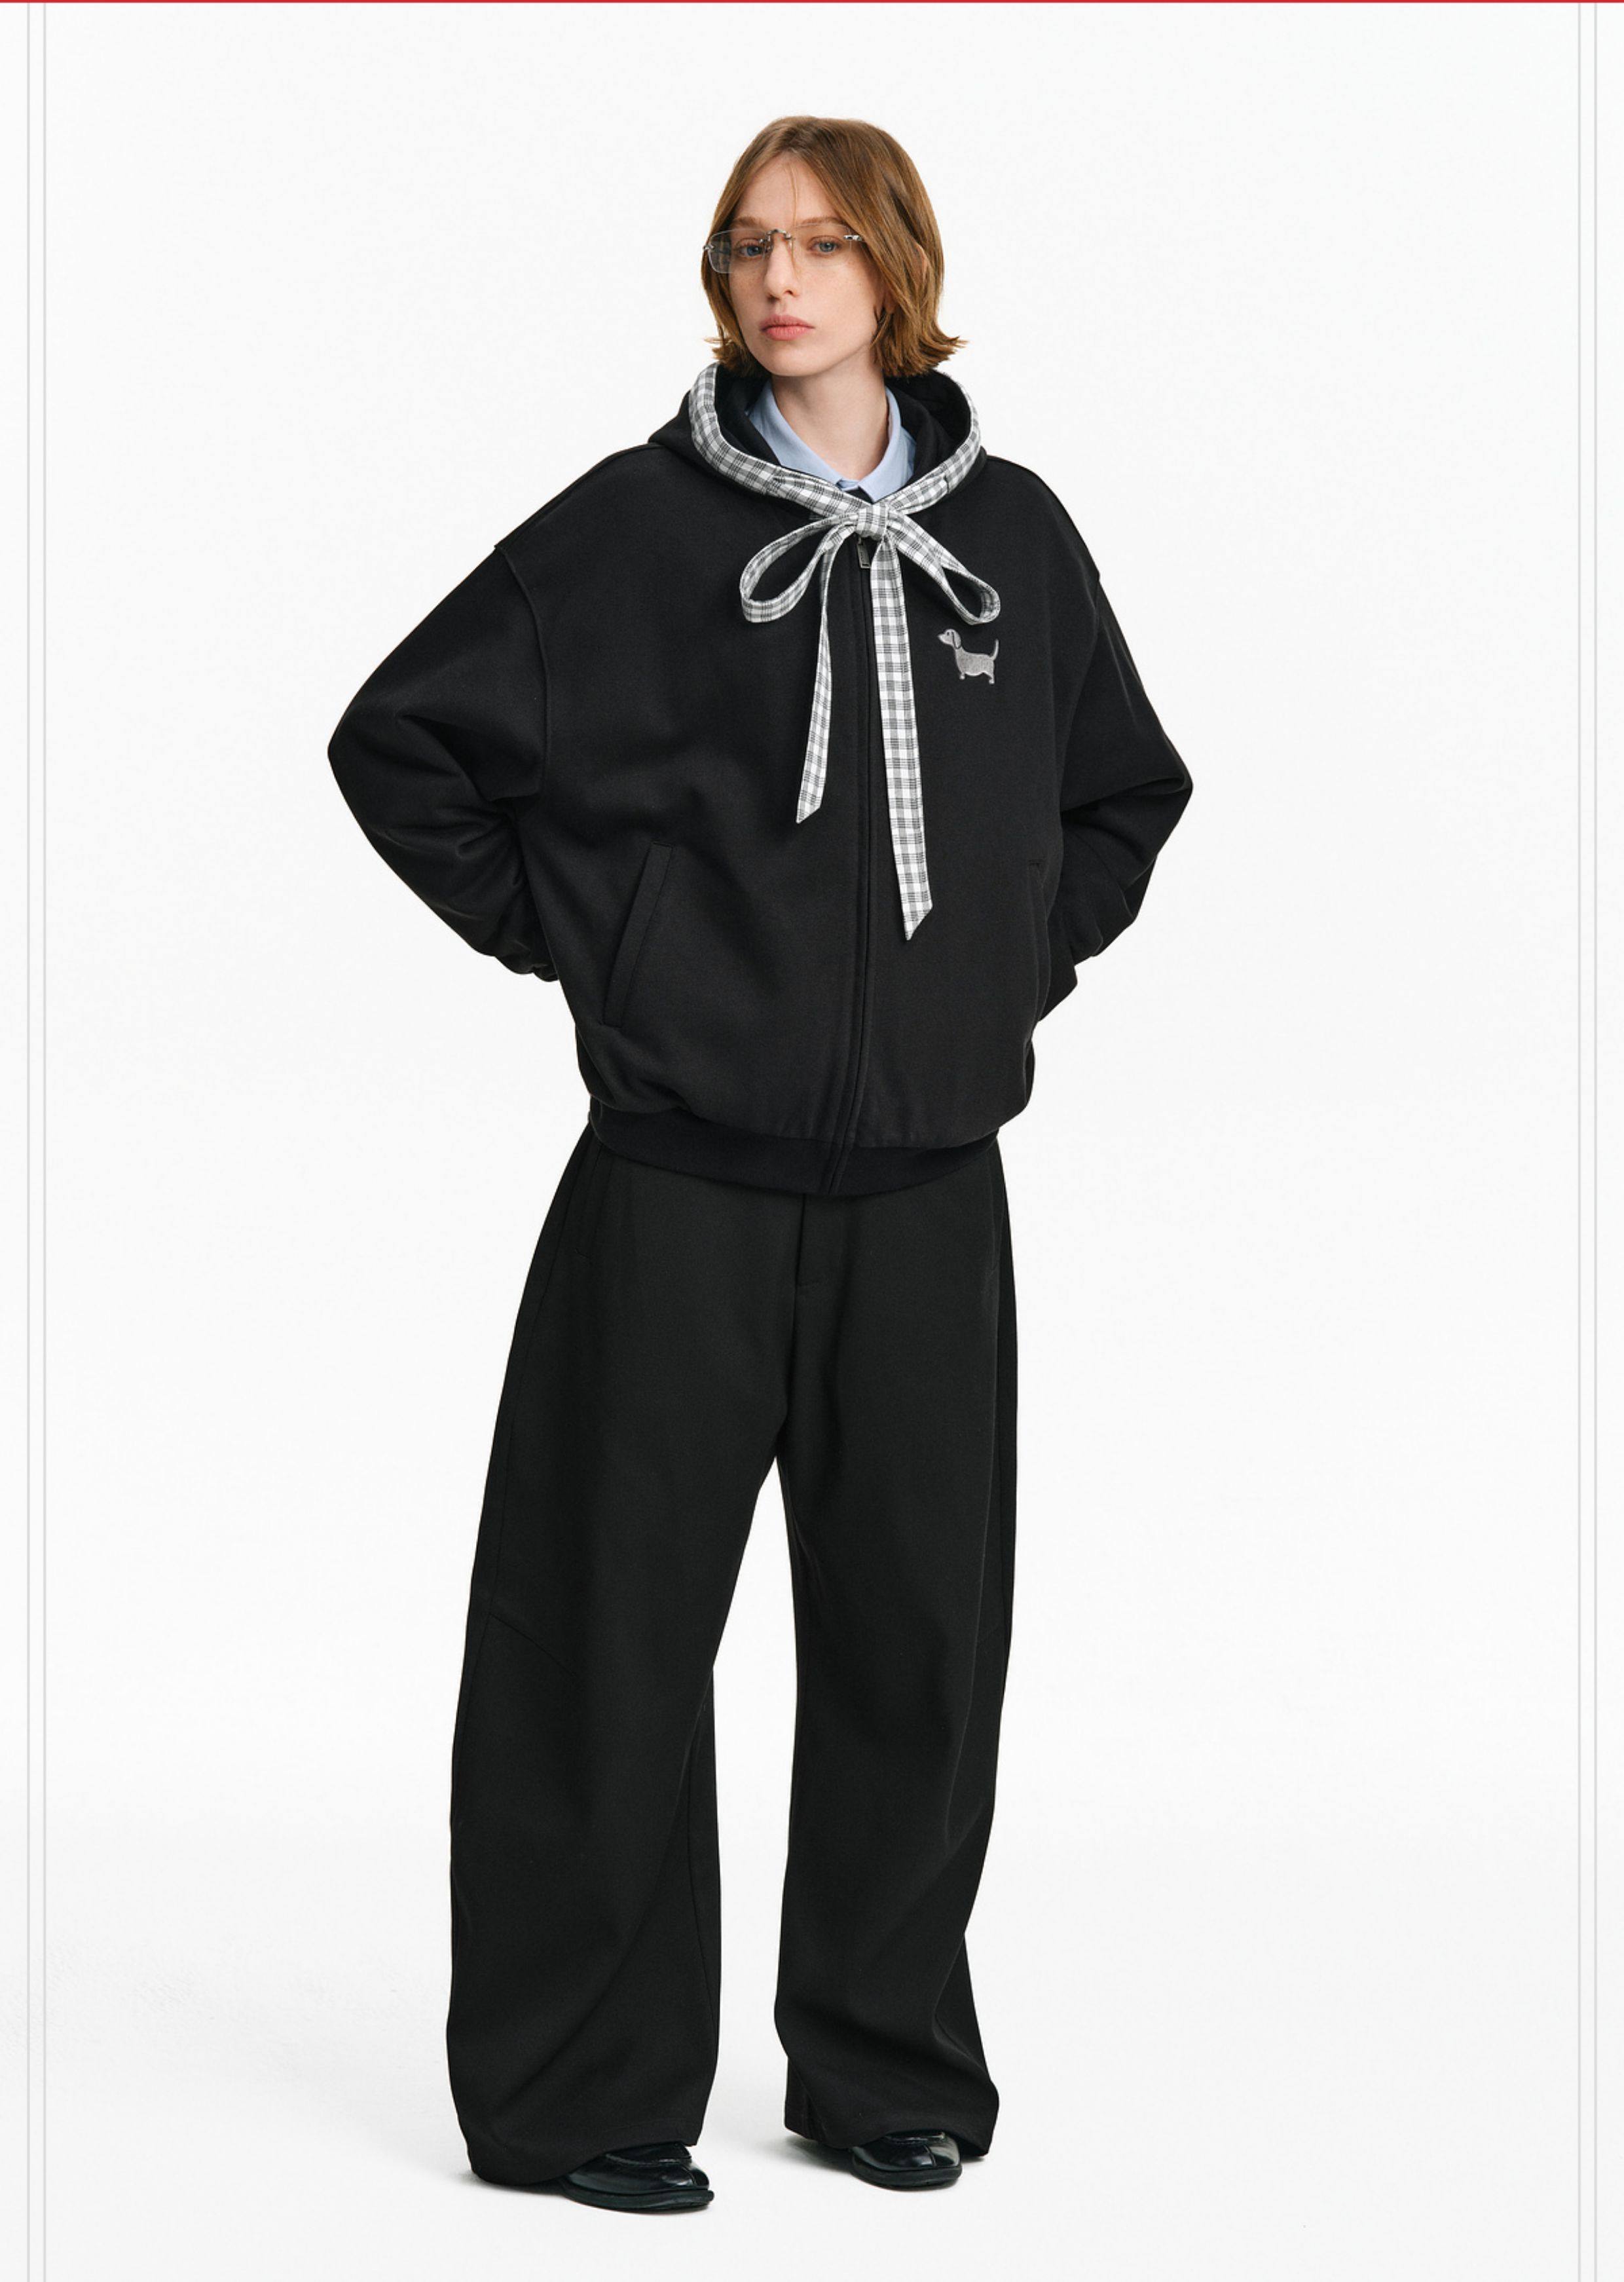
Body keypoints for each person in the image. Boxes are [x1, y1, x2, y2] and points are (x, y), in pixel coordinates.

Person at [327, 113, 1194, 2214]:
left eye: (820, 244)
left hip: (929, 1196)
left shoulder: (1022, 542)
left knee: (919, 1648)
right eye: (745, 247)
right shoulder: (636, 531)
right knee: (603, 1641)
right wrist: (607, 944)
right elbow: (401, 742)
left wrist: (995, 973)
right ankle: (579, 2091)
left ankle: (881, 2060)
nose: (780, 281)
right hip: (676, 1185)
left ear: (898, 270)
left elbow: (1124, 795)